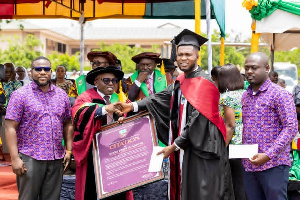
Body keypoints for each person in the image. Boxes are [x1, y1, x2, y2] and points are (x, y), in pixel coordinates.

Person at [114, 29, 234, 200]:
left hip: (203, 149)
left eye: (188, 54)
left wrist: (175, 145)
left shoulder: (204, 84)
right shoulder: (182, 80)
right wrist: (132, 106)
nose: (183, 58)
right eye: (180, 54)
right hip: (186, 147)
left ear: (197, 56)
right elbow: (160, 98)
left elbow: (197, 121)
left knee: (201, 192)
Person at [4, 56, 74, 200]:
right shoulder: (20, 95)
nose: (42, 72)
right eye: (38, 69)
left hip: (56, 158)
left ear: (51, 72)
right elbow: (10, 127)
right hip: (30, 157)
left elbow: (68, 122)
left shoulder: (61, 95)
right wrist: (15, 158)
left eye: (46, 69)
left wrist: (68, 149)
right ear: (31, 72)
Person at [242, 52, 297, 200]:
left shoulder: (280, 94)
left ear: (266, 68)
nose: (249, 72)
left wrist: (268, 155)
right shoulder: (245, 96)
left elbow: (291, 127)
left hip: (274, 165)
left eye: (254, 68)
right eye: (246, 68)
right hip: (249, 164)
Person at [72, 66, 132, 200]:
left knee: (118, 193)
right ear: (96, 82)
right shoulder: (85, 98)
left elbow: (134, 122)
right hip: (94, 156)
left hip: (118, 156)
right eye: (106, 80)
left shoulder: (122, 99)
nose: (111, 83)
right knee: (92, 192)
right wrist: (105, 109)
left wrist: (126, 121)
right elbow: (78, 115)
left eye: (114, 80)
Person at [217, 63, 247, 200]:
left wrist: (222, 147)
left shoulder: (226, 97)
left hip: (234, 145)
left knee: (236, 184)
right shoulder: (247, 93)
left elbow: (230, 125)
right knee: (246, 182)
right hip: (249, 143)